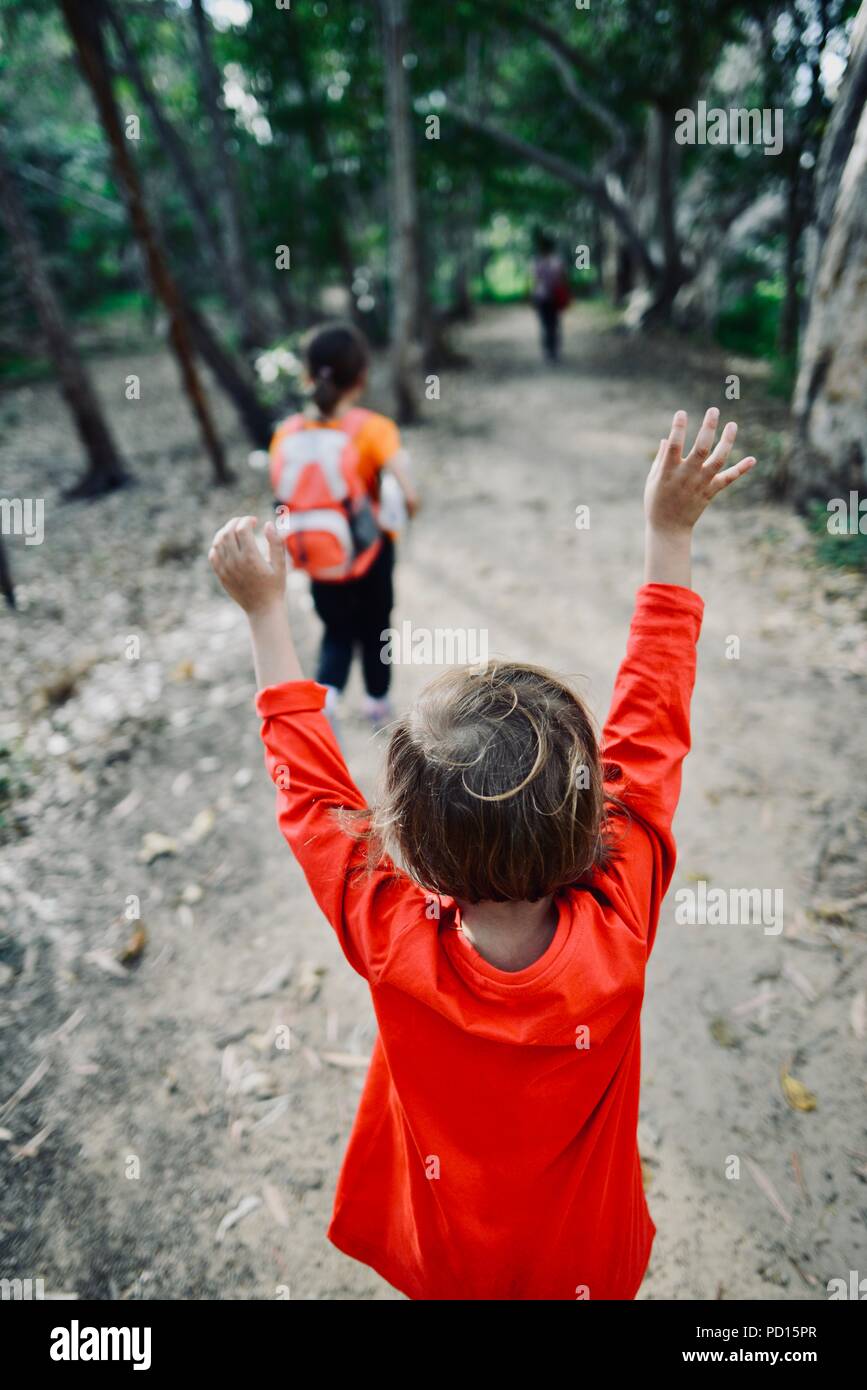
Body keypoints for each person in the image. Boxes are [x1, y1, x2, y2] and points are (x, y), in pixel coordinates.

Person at [208, 407, 756, 1301]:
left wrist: (267, 612)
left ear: (409, 849)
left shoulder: (384, 927)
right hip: (585, 1262)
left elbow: (311, 797)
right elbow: (651, 726)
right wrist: (667, 534)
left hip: (450, 1261)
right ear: (592, 819)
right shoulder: (623, 911)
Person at [268, 322, 418, 728]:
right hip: (370, 553)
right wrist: (403, 512)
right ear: (362, 377)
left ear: (307, 375)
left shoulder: (285, 433)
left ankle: (327, 701)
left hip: (319, 558)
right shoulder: (373, 429)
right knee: (376, 630)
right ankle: (376, 704)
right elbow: (409, 493)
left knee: (336, 630)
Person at [531, 230, 569, 362]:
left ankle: (549, 350)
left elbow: (535, 280)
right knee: (553, 324)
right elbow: (563, 278)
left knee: (547, 324)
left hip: (543, 296)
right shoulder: (556, 261)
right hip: (552, 295)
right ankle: (552, 349)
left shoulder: (538, 262)